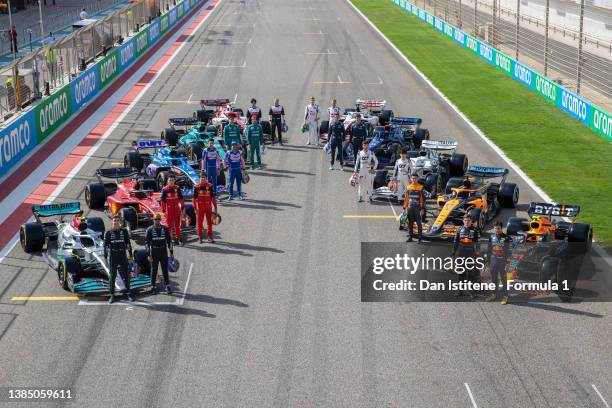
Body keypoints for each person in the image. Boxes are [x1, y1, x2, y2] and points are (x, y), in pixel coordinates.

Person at [104, 215, 133, 304]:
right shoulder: (108, 232)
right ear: (112, 222)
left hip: (122, 255)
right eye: (114, 221)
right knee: (112, 276)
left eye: (117, 220)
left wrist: (131, 256)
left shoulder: (124, 231)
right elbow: (105, 246)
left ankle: (128, 293)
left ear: (119, 222)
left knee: (126, 274)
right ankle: (112, 295)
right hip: (113, 256)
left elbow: (128, 244)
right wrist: (105, 259)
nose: (115, 222)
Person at [452, 216, 481, 298]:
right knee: (461, 272)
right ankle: (461, 291)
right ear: (463, 221)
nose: (467, 222)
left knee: (471, 273)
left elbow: (478, 243)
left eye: (468, 220)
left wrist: (477, 254)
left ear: (471, 221)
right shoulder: (459, 229)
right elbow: (456, 242)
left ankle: (472, 292)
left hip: (471, 253)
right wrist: (454, 252)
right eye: (465, 220)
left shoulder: (475, 230)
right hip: (461, 252)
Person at [145, 214, 173, 295]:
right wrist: (148, 254)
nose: (157, 220)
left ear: (160, 220)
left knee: (165, 270)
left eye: (158, 219)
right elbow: (146, 243)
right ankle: (152, 286)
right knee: (154, 270)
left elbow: (169, 241)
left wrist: (171, 252)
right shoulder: (149, 230)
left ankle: (167, 286)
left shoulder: (165, 229)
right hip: (154, 252)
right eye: (155, 219)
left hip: (163, 251)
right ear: (153, 220)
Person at [486, 221, 511, 304]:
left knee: (504, 280)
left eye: (498, 228)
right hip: (493, 261)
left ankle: (505, 296)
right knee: (493, 279)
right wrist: (487, 261)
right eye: (495, 228)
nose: (497, 230)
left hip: (502, 262)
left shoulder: (507, 238)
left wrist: (507, 264)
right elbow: (489, 250)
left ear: (502, 228)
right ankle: (493, 294)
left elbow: (509, 252)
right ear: (494, 228)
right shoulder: (491, 237)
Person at [193, 171, 218, 243]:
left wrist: (215, 208)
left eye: (204, 178)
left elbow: (213, 198)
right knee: (199, 223)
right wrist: (195, 208)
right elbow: (194, 199)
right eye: (201, 178)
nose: (202, 179)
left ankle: (209, 236)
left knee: (209, 222)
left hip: (208, 207)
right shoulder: (196, 187)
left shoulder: (210, 186)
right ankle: (200, 237)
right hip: (200, 208)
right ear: (199, 178)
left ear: (206, 178)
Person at [403, 173, 429, 242]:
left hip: (418, 208)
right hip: (410, 208)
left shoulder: (421, 187)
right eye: (413, 178)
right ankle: (410, 237)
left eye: (415, 178)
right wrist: (404, 208)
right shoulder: (408, 187)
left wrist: (422, 209)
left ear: (417, 179)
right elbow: (406, 198)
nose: (414, 180)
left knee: (419, 223)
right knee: (410, 223)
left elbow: (423, 199)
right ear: (411, 179)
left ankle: (420, 237)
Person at [160, 175, 184, 244]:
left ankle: (178, 239)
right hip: (169, 209)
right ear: (167, 181)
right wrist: (163, 211)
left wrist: (182, 207)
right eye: (170, 180)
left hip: (177, 209)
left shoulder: (177, 188)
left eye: (172, 180)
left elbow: (181, 199)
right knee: (169, 226)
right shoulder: (165, 189)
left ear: (174, 181)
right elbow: (162, 201)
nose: (171, 182)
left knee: (177, 225)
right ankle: (170, 239)